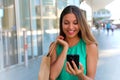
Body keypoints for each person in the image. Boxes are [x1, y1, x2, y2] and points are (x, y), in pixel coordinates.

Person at [49, 5, 98, 80]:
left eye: (75, 23)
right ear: (61, 24)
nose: (71, 27)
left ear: (81, 24)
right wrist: (65, 47)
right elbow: (52, 76)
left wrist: (80, 75)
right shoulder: (55, 46)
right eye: (66, 23)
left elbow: (91, 78)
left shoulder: (90, 46)